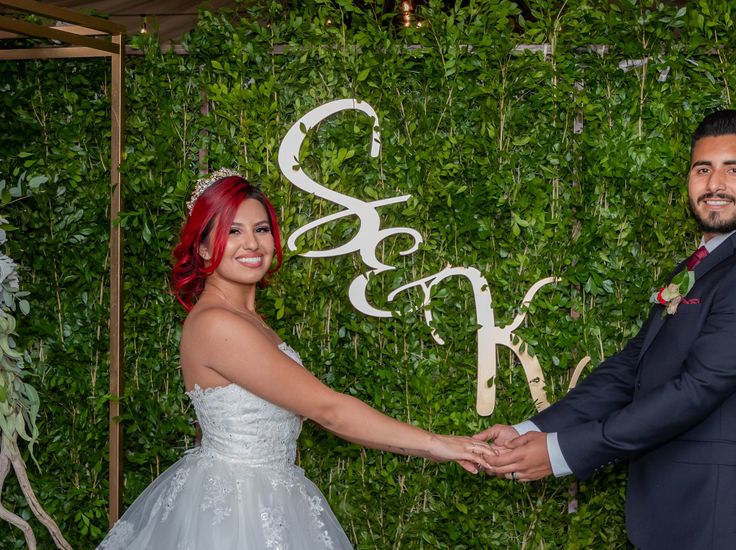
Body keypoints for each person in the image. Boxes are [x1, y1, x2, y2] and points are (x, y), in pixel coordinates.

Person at [98, 170, 495, 549]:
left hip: (273, 495)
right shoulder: (217, 324)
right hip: (238, 512)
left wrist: (434, 447)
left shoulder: (249, 320)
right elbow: (330, 410)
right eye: (232, 231)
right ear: (203, 248)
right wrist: (437, 444)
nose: (252, 244)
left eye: (261, 229)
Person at [475, 110, 736, 550]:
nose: (715, 184)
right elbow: (634, 366)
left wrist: (561, 452)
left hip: (723, 522)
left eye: (735, 169)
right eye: (702, 169)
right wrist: (530, 429)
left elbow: (695, 390)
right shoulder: (708, 262)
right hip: (669, 517)